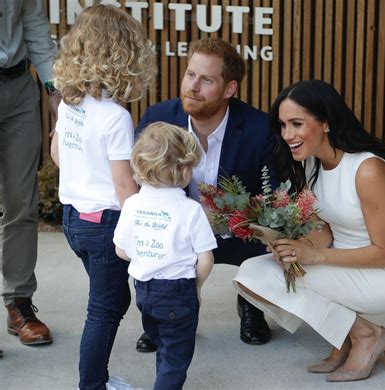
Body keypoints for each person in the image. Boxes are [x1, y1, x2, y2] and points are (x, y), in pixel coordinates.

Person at [233, 80, 385, 382]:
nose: (287, 135)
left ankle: (366, 336)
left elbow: (384, 254)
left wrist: (315, 257)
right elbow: (324, 233)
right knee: (251, 274)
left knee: (268, 278)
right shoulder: (313, 166)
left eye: (297, 123)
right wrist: (289, 247)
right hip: (341, 261)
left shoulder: (368, 169)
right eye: (282, 125)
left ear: (326, 123)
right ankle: (347, 335)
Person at [134, 37, 276, 352]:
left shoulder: (259, 127)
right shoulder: (158, 119)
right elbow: (138, 185)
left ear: (229, 89)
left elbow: (273, 194)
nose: (193, 87)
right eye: (190, 75)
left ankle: (251, 304)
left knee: (270, 234)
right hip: (177, 230)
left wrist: (249, 218)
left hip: (240, 230)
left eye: (206, 80)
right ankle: (163, 317)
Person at [50, 5, 156, 389]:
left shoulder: (68, 103)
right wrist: (146, 231)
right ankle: (93, 384)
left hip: (74, 221)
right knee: (104, 309)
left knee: (110, 301)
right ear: (125, 54)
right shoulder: (114, 116)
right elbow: (125, 187)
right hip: (106, 224)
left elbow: (58, 156)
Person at [114, 122, 216, 390]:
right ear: (184, 171)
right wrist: (196, 286)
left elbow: (120, 250)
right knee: (176, 357)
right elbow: (206, 260)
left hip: (144, 292)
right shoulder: (190, 210)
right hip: (178, 292)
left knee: (163, 344)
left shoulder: (133, 204)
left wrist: (145, 256)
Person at [0, 0, 60, 349]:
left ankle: (19, 301)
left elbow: (35, 27)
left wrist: (53, 88)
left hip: (20, 87)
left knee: (22, 201)